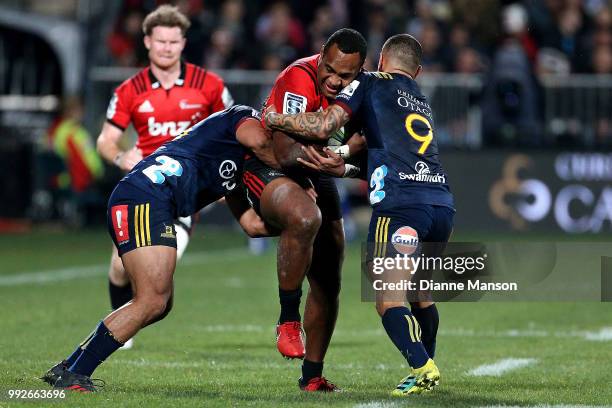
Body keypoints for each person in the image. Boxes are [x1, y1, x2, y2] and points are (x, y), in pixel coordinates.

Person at [265, 34, 455, 395]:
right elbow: (385, 154)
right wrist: (344, 166)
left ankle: (423, 365)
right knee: (421, 294)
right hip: (441, 203)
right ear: (416, 71)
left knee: (387, 298)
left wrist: (274, 118)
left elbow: (322, 126)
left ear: (378, 62)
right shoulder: (419, 99)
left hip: (401, 207)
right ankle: (424, 368)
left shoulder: (368, 83)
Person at [41, 105, 277, 392]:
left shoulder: (239, 165)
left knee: (159, 305)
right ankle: (75, 374)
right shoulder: (241, 116)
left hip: (152, 202)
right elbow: (263, 141)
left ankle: (68, 367)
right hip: (146, 198)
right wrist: (297, 165)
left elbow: (252, 225)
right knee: (152, 300)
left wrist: (295, 223)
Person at [97, 4, 233, 349]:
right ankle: (122, 327)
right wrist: (119, 155)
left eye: (173, 42)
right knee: (118, 267)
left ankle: (127, 324)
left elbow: (232, 130)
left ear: (183, 43)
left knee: (157, 291)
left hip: (185, 195)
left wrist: (222, 179)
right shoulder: (131, 89)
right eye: (160, 42)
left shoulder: (210, 85)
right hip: (143, 187)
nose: (167, 48)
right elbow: (106, 138)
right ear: (147, 42)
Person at [242, 28, 367, 391]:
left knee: (331, 275)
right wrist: (339, 154)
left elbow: (368, 157)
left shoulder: (362, 91)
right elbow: (284, 152)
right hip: (267, 165)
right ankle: (287, 320)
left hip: (316, 166)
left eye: (344, 75)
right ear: (321, 56)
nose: (333, 79)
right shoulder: (299, 76)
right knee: (305, 216)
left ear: (359, 72)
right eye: (329, 69)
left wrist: (340, 158)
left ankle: (312, 376)